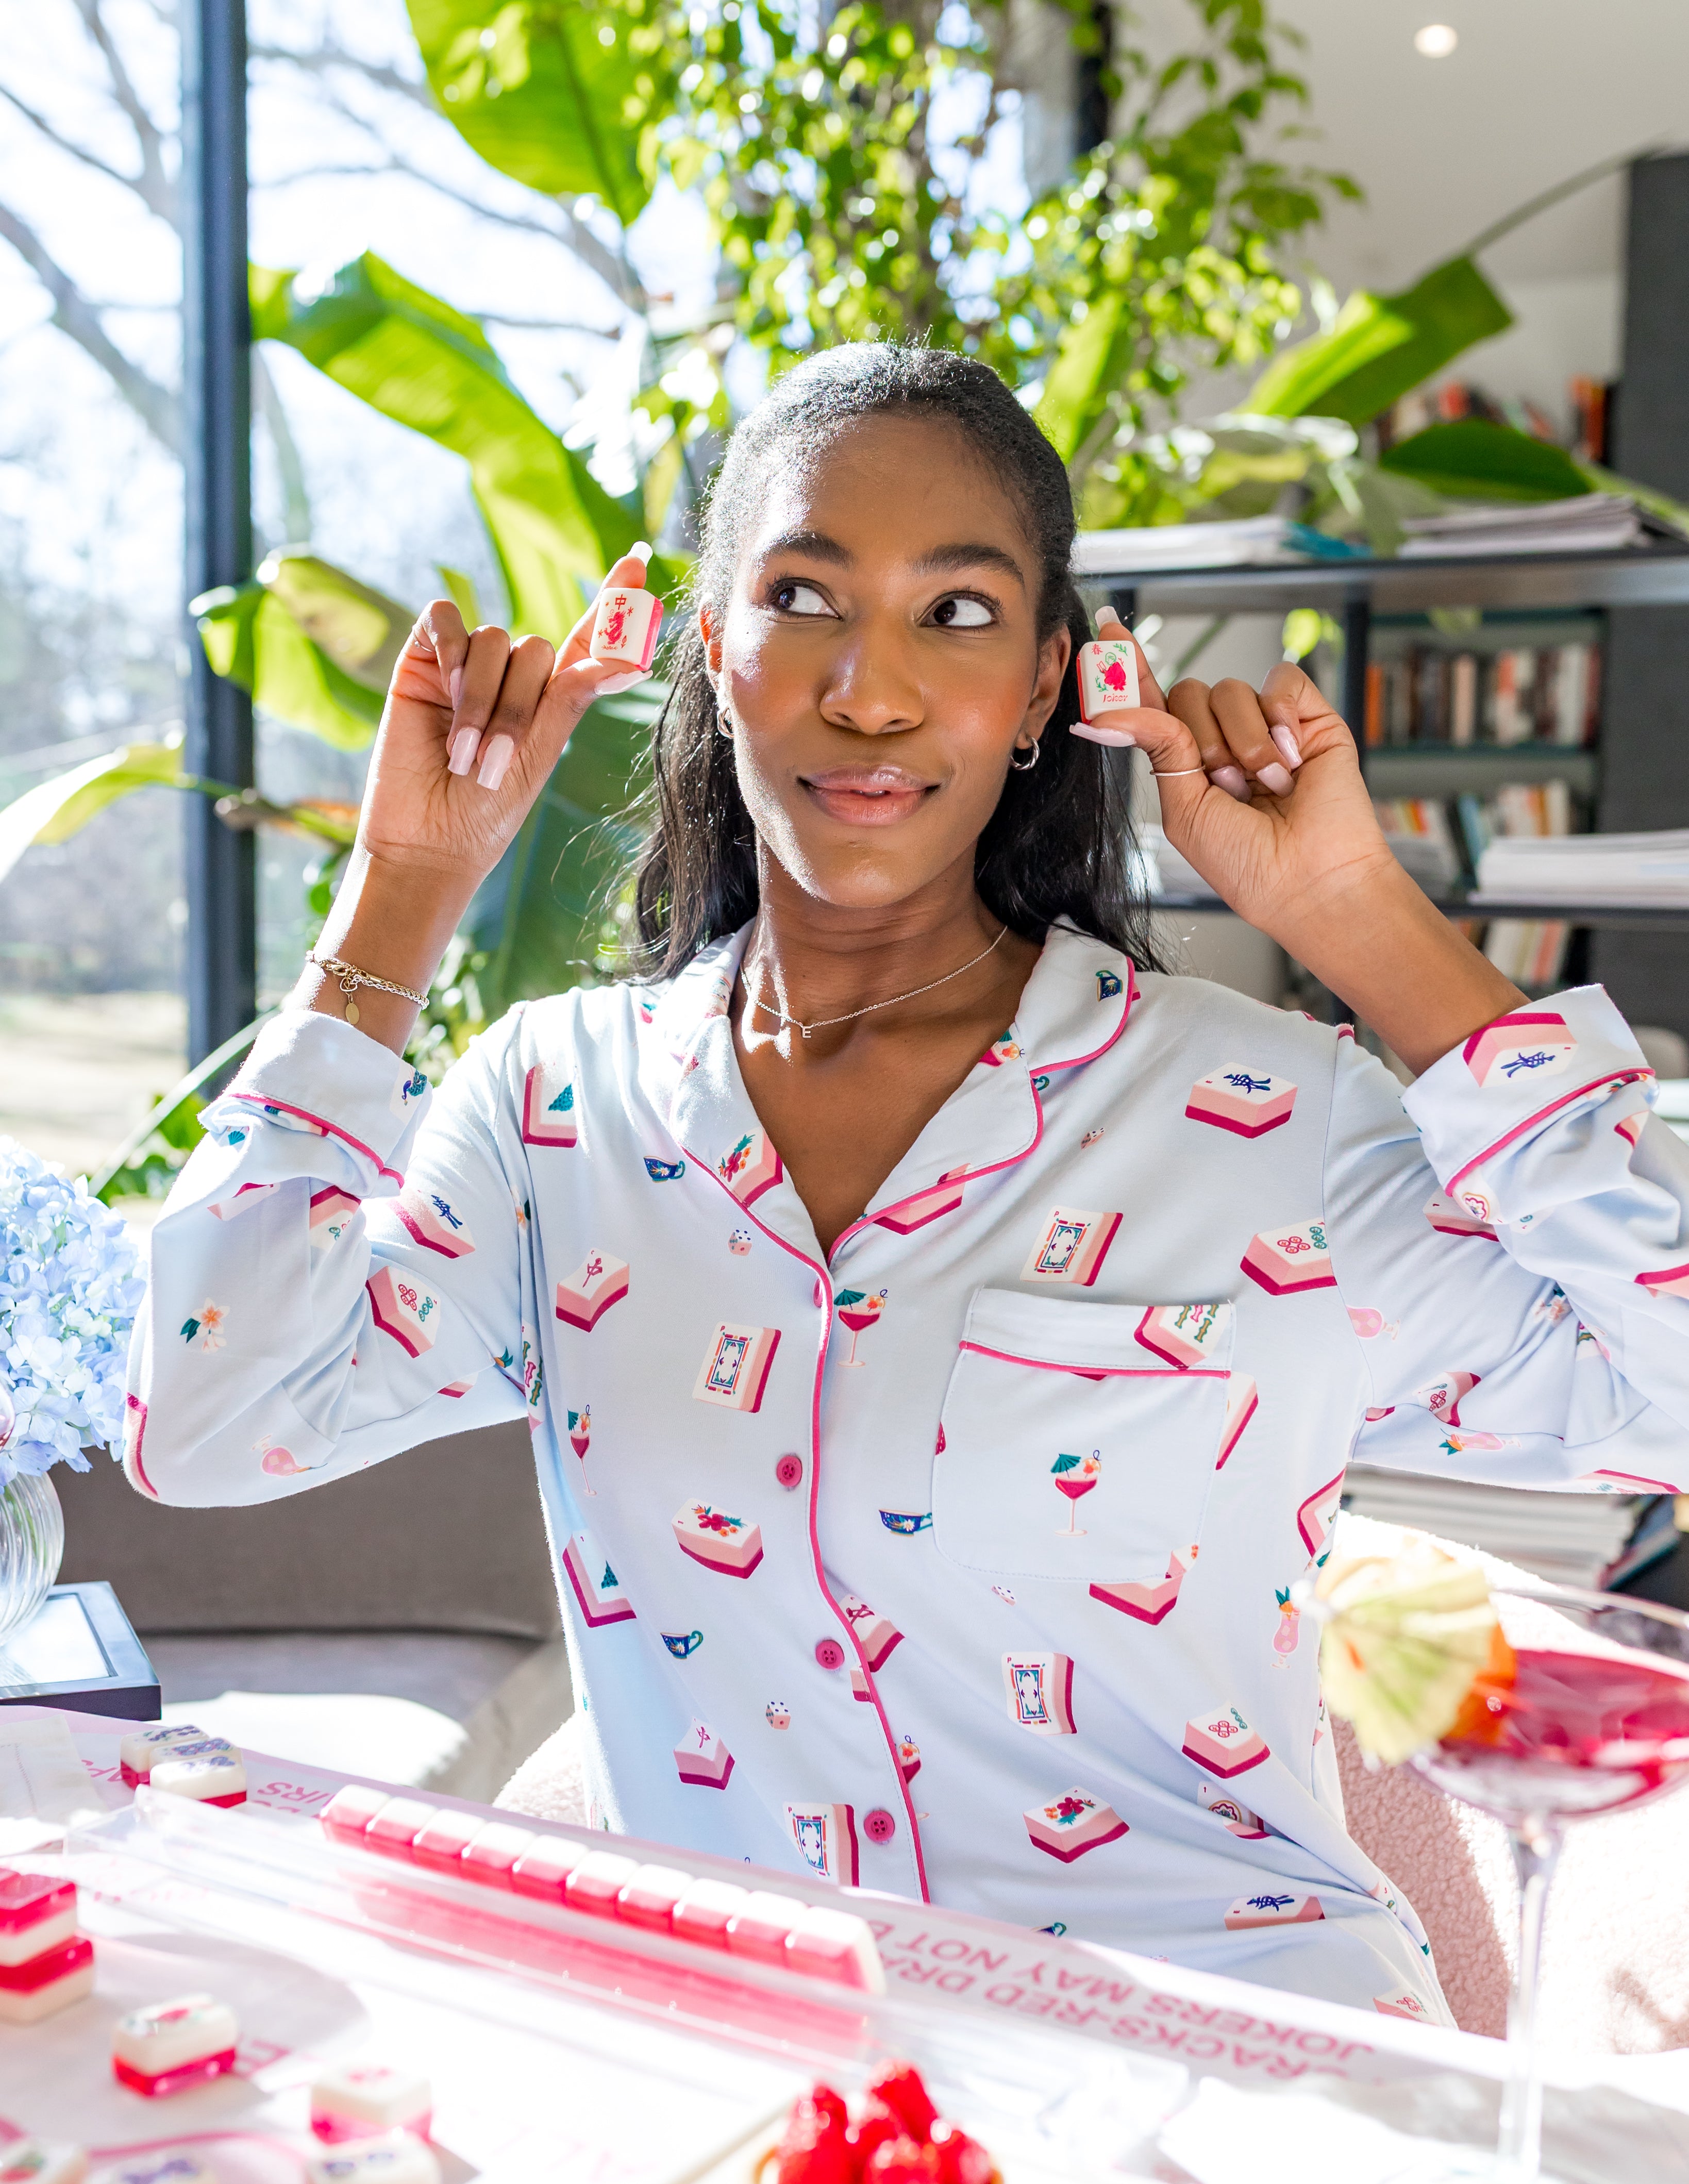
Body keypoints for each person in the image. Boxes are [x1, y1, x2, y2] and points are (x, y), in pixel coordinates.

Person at [129, 344, 1689, 2023]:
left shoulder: (1269, 1116)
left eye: (956, 613)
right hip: (747, 2082)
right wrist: (400, 894)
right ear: (711, 652)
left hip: (1226, 2060)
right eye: (805, 595)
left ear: (1041, 691)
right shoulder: (553, 1111)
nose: (871, 691)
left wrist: (1359, 918)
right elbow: (208, 1417)